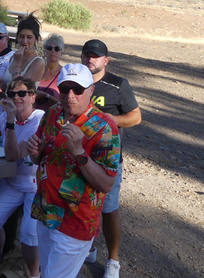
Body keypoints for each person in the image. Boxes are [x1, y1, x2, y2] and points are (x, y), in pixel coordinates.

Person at [26, 64, 121, 278]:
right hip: (46, 211)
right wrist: (35, 152)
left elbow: (106, 184)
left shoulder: (105, 128)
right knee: (47, 272)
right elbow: (39, 159)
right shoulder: (52, 114)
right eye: (65, 88)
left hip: (75, 221)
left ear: (91, 90)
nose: (70, 95)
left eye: (77, 90)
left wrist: (79, 152)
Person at [80, 39, 141, 278]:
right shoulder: (76, 82)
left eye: (95, 56)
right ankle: (90, 248)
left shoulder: (117, 85)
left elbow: (135, 117)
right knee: (83, 205)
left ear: (106, 60)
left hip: (108, 160)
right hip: (79, 156)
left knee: (109, 209)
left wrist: (108, 119)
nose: (90, 59)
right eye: (86, 55)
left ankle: (113, 261)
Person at [0, 78, 44, 278]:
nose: (16, 97)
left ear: (33, 97)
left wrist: (11, 121)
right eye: (12, 94)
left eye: (22, 93)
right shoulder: (6, 116)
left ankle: (34, 274)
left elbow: (14, 155)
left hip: (35, 185)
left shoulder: (39, 120)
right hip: (12, 181)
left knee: (29, 235)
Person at [3, 14, 45, 86]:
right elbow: (8, 88)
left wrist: (18, 63)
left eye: (29, 37)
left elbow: (18, 88)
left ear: (36, 39)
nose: (25, 41)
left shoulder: (37, 62)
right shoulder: (13, 58)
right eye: (21, 37)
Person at [34, 33, 65, 112]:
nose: (53, 51)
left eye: (57, 49)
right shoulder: (36, 70)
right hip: (32, 117)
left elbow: (65, 103)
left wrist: (46, 96)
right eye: (49, 48)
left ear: (61, 53)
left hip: (52, 118)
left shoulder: (64, 74)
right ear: (44, 51)